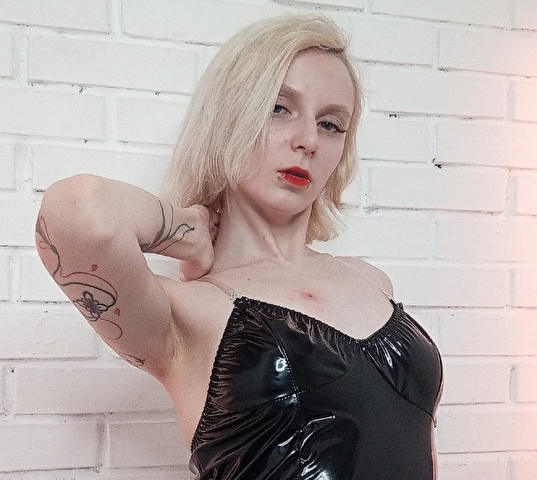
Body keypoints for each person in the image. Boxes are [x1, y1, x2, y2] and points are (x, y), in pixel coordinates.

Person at [35, 14, 443, 479]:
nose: (308, 140)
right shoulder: (191, 313)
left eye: (331, 124)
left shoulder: (371, 281)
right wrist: (188, 229)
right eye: (279, 108)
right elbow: (78, 208)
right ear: (229, 118)